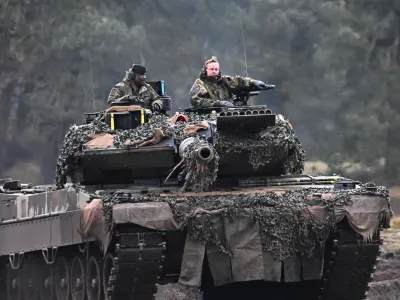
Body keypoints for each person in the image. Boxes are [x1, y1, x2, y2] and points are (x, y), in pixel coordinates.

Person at [189, 56, 271, 108]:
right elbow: (196, 100)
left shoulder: (223, 81)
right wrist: (218, 103)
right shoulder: (201, 83)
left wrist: (253, 82)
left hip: (227, 112)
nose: (214, 71)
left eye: (216, 69)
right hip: (209, 114)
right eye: (211, 69)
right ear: (205, 70)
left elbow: (239, 82)